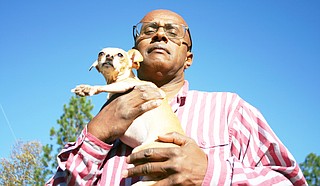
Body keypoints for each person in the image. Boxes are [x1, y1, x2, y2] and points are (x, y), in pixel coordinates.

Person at [47, 9, 306, 185]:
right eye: (149, 31)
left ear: (188, 59)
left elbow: (288, 181)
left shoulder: (229, 111)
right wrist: (98, 132)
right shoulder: (99, 122)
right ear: (134, 55)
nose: (160, 34)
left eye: (173, 32)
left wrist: (209, 174)